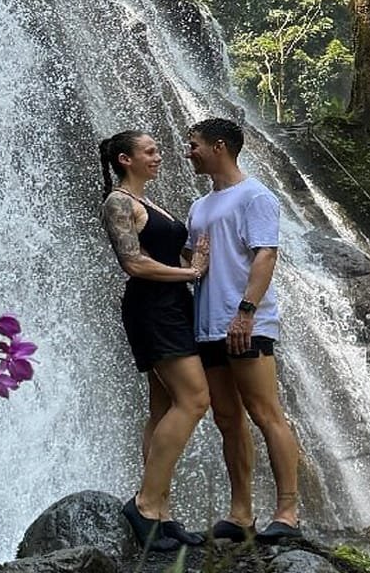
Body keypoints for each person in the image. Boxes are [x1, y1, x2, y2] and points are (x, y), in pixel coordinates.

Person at [183, 117, 302, 543]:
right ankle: (241, 514)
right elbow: (191, 265)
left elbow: (265, 255)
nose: (188, 150)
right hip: (207, 326)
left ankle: (287, 511)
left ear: (219, 147)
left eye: (193, 143)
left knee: (266, 413)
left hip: (246, 323)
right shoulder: (199, 206)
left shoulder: (256, 196)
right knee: (227, 418)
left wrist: (246, 312)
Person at [98, 130, 212, 551]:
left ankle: (161, 512)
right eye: (150, 151)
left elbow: (168, 253)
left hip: (172, 304)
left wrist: (196, 261)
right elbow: (134, 263)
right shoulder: (118, 202)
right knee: (195, 399)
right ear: (126, 159)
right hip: (152, 307)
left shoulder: (149, 203)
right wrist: (190, 273)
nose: (159, 156)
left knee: (162, 405)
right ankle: (144, 505)